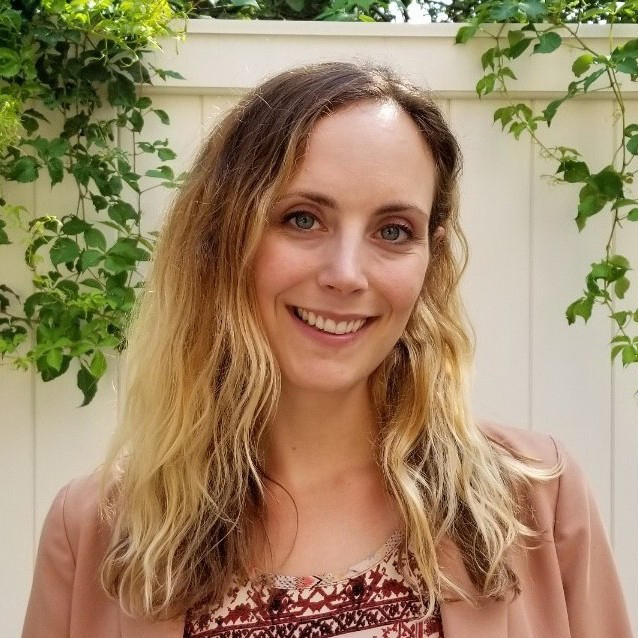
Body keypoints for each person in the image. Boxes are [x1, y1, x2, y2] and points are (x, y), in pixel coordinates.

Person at [22, 61, 632, 638]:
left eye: (393, 231)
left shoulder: (535, 499)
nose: (346, 274)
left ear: (430, 258)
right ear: (222, 235)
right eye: (302, 219)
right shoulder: (97, 530)